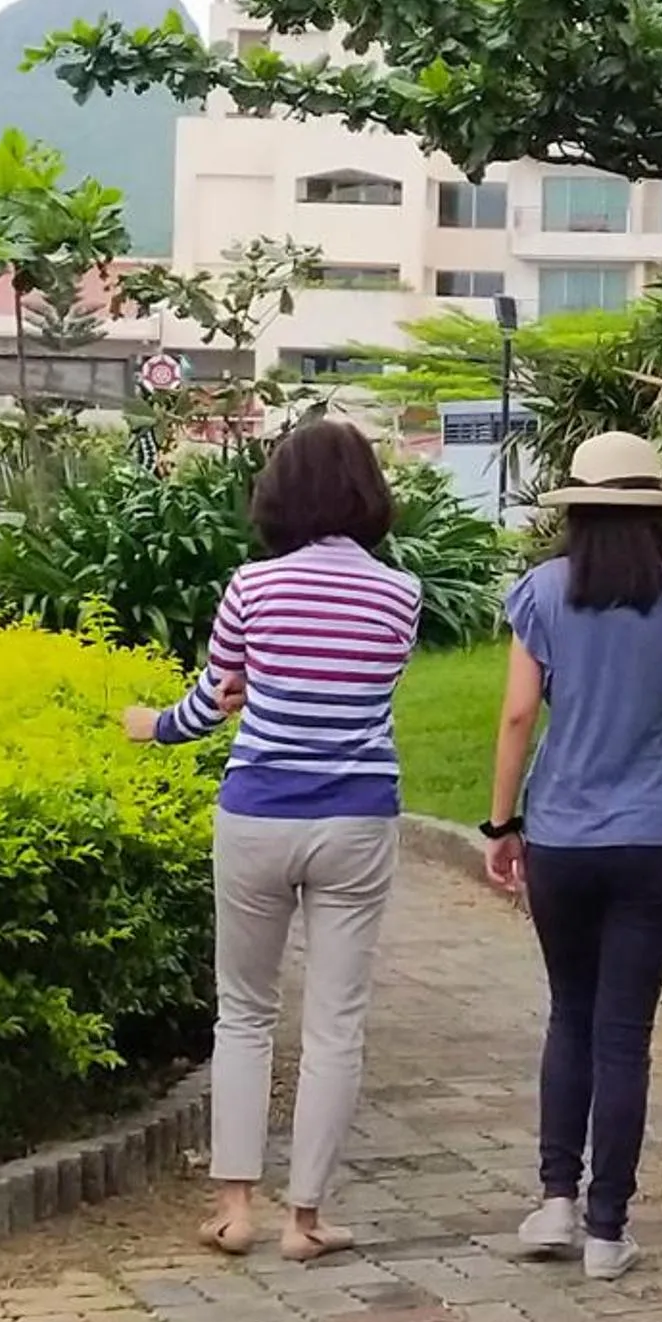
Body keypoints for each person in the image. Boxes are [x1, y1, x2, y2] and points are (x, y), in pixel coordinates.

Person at [124, 417, 423, 1263]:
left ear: (278, 495)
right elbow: (364, 695)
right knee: (336, 1023)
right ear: (368, 494)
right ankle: (306, 1219)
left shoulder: (251, 587)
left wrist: (154, 727)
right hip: (358, 817)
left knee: (246, 1013)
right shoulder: (401, 597)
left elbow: (218, 697)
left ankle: (235, 1209)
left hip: (257, 811)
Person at [486, 430, 662, 1282]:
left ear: (577, 512)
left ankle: (555, 1199)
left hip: (560, 836)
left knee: (570, 1015)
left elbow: (518, 717)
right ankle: (609, 1231)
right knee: (626, 1032)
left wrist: (499, 824)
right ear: (655, 512)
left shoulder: (542, 593)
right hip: (653, 836)